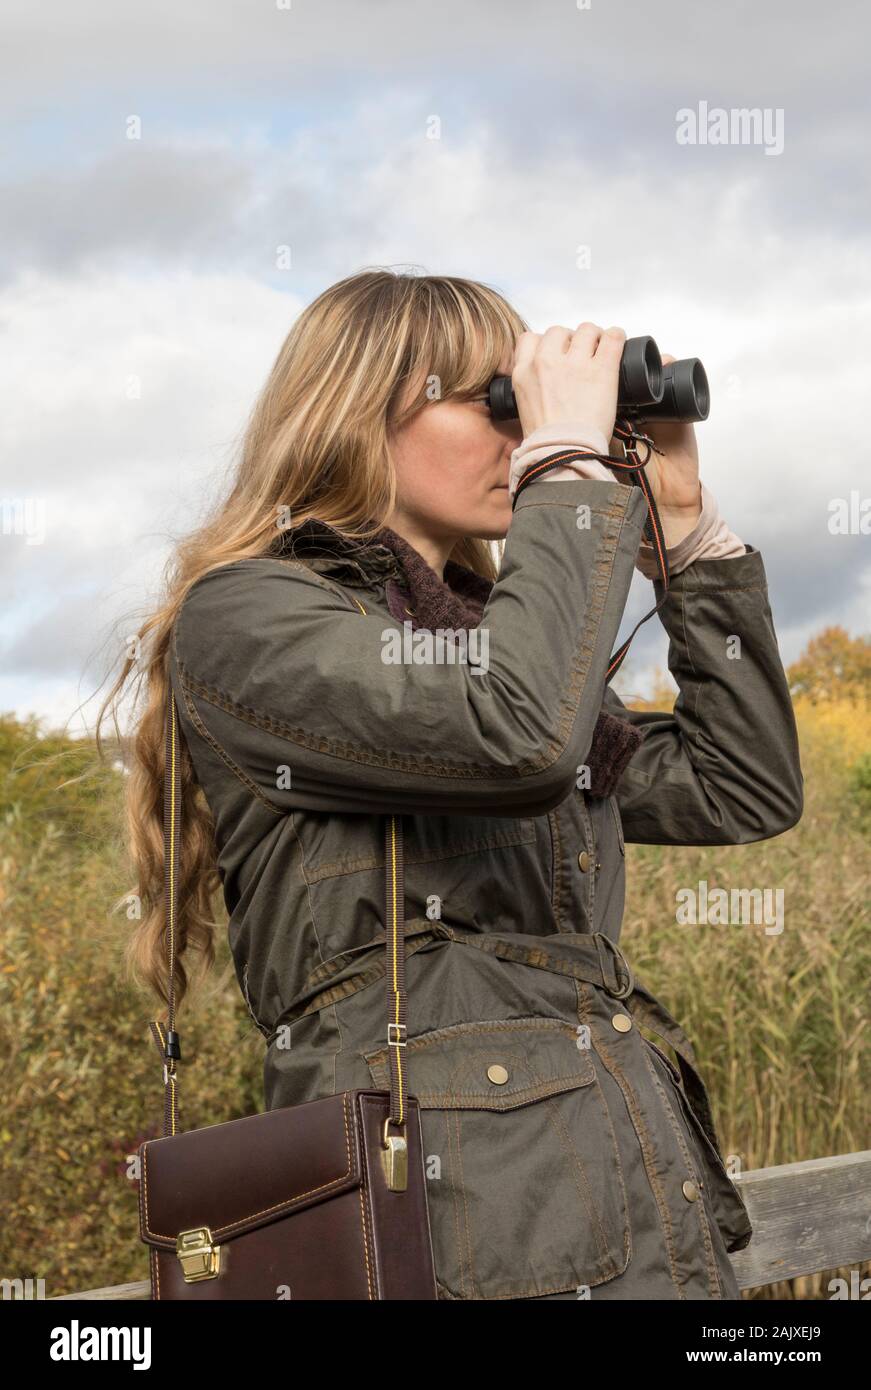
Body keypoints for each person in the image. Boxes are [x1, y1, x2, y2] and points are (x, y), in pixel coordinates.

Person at [105, 268, 803, 1300]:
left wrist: (685, 537)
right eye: (497, 401)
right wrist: (567, 468)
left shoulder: (496, 645)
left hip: (630, 1215)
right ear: (356, 411)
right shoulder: (251, 618)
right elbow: (514, 731)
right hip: (444, 1235)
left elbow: (739, 785)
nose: (523, 437)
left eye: (528, 410)